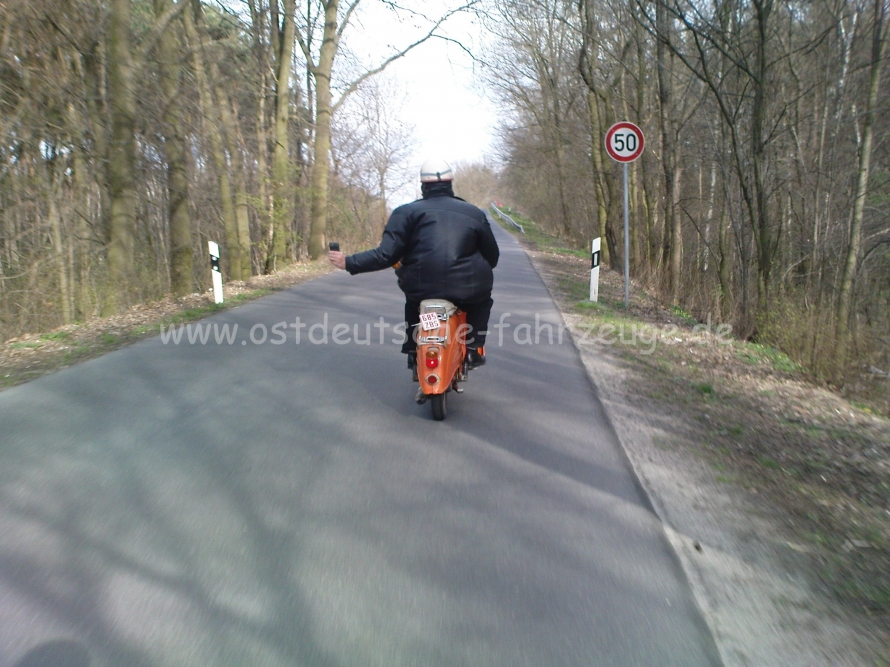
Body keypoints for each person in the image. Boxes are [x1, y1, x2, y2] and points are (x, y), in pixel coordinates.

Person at [329, 159, 499, 369]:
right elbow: (493, 257)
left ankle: (412, 348)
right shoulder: (474, 213)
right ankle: (473, 349)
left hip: (422, 288)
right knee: (481, 302)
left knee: (414, 304)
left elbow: (385, 255)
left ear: (422, 185)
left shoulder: (405, 213)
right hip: (467, 289)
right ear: (450, 182)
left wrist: (348, 262)